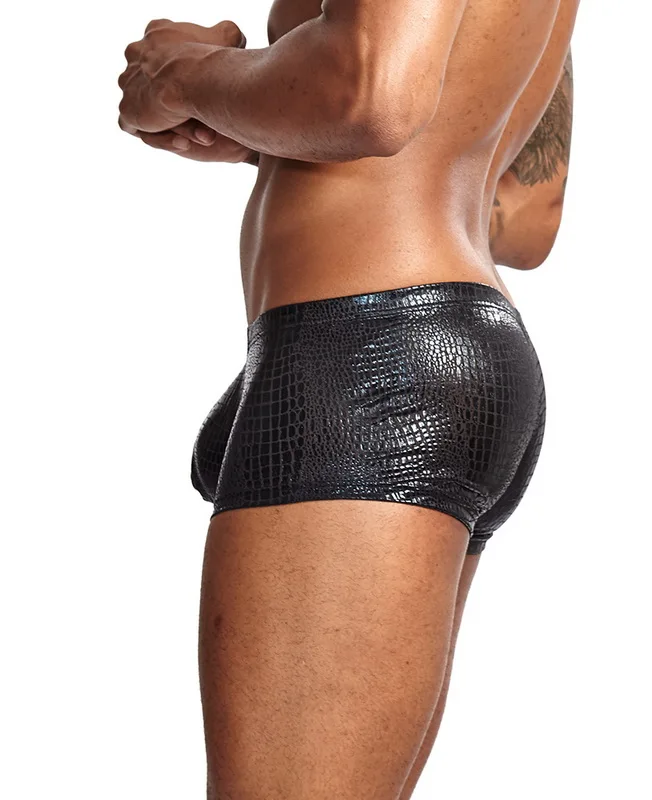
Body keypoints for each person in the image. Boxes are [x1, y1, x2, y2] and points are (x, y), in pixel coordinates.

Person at [117, 0, 578, 796]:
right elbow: (528, 214)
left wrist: (187, 76)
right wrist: (259, 127)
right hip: (447, 346)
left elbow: (373, 96)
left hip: (369, 360)